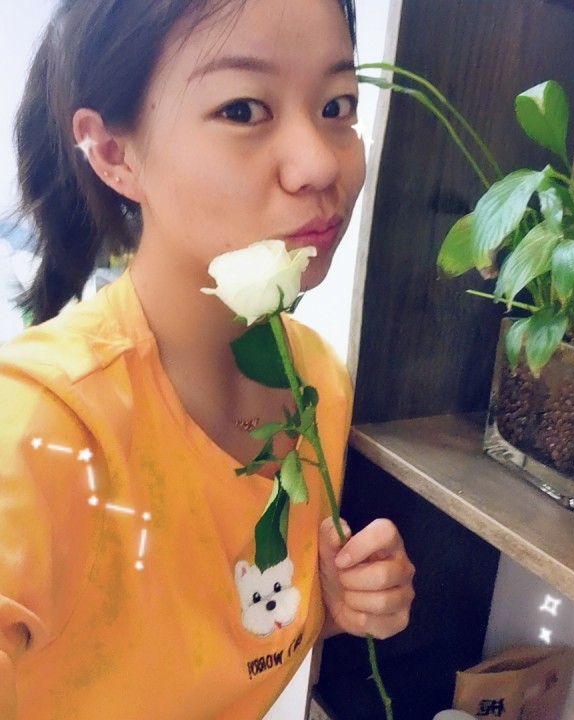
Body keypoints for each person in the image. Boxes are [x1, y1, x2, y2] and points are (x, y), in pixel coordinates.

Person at [0, 0, 415, 718]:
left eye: (337, 105)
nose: (322, 162)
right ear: (113, 153)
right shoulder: (42, 429)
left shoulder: (319, 381)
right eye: (243, 109)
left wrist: (337, 600)